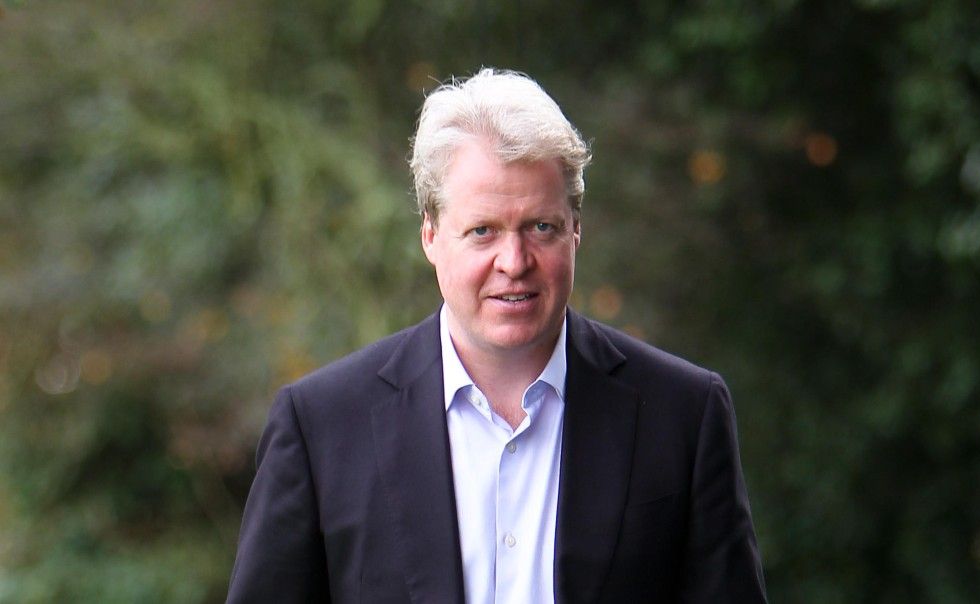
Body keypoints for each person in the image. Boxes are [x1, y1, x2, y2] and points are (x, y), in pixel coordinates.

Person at [227, 68, 767, 603]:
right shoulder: (321, 426)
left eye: (541, 227)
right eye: (483, 230)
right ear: (431, 235)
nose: (514, 262)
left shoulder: (682, 414)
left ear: (576, 230)